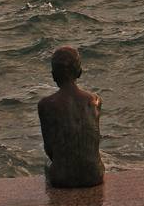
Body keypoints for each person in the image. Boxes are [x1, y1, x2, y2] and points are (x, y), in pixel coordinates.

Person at [37, 46, 105, 187]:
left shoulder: (46, 105)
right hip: (94, 176)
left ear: (53, 74)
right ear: (79, 72)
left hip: (62, 180)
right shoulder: (95, 100)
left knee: (46, 164)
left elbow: (49, 149)